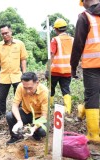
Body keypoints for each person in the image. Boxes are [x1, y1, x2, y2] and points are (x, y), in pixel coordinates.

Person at [70, 0, 100, 143]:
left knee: (92, 97)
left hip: (92, 65)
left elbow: (78, 44)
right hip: (92, 64)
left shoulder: (84, 17)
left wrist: (73, 66)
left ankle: (94, 135)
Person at [0, 24, 28, 120]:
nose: (4, 35)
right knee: (2, 98)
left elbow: (23, 59)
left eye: (6, 33)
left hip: (17, 76)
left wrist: (24, 75)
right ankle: (1, 116)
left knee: (19, 98)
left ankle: (19, 116)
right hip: (4, 77)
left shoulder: (20, 44)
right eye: (2, 34)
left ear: (11, 32)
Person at [6, 72, 48, 145]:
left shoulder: (45, 92)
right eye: (25, 88)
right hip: (26, 112)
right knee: (9, 116)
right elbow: (15, 106)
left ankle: (35, 133)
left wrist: (33, 128)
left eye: (30, 88)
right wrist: (19, 121)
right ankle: (16, 137)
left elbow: (44, 116)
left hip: (39, 116)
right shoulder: (20, 87)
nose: (28, 91)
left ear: (37, 83)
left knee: (42, 132)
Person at [48, 18, 74, 114]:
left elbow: (52, 54)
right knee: (66, 89)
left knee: (51, 88)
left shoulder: (55, 40)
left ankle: (50, 107)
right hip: (67, 70)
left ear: (56, 29)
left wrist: (48, 69)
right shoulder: (72, 39)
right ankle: (68, 110)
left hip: (55, 70)